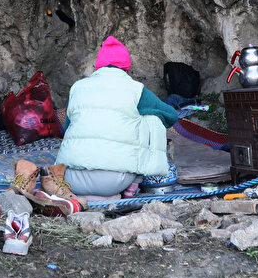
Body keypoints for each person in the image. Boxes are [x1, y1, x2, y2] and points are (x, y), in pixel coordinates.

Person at [55, 36, 178, 197]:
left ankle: (96, 198)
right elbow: (171, 115)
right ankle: (131, 188)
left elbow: (67, 129)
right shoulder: (135, 90)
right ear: (126, 68)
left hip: (70, 178)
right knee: (150, 118)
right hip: (113, 181)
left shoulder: (78, 87)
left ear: (98, 67)